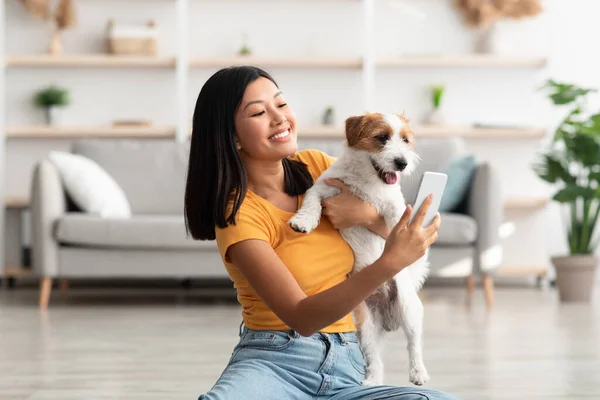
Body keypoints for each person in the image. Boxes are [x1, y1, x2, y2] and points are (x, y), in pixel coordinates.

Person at [184, 65, 459, 400]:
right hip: (275, 363)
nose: (279, 118)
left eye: (281, 104)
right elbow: (302, 316)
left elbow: (397, 215)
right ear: (231, 136)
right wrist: (388, 264)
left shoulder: (317, 166)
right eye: (258, 112)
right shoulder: (239, 213)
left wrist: (367, 216)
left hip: (348, 365)